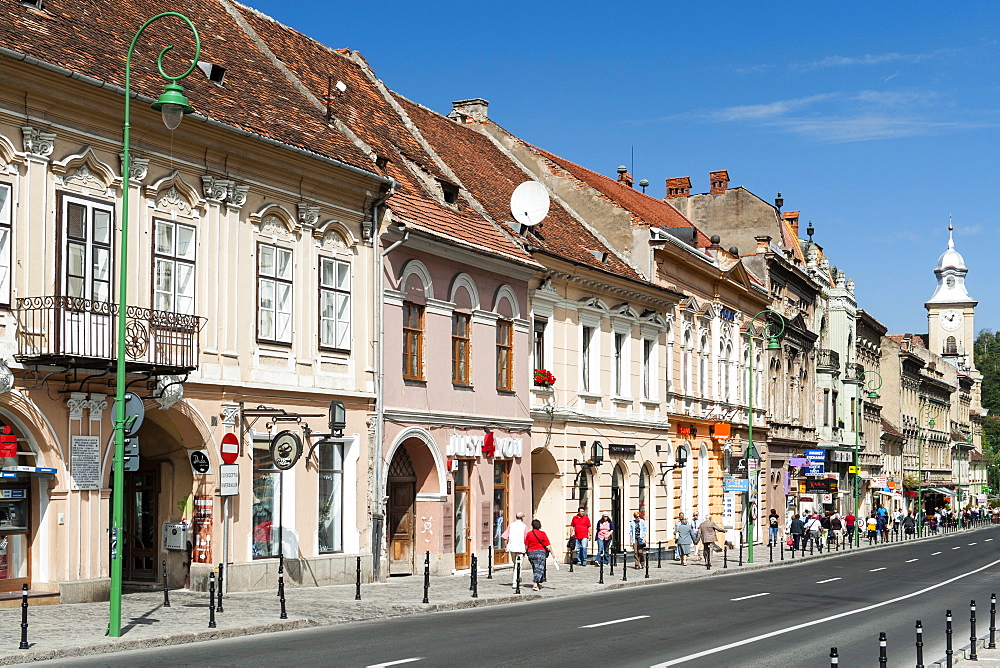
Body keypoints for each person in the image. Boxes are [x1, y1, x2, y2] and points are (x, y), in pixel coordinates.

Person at [503, 512, 527, 592]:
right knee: (518, 565)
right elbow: (526, 539)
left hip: (512, 547)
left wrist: (506, 546)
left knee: (515, 564)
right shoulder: (524, 526)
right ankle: (515, 581)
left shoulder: (511, 525)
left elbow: (505, 537)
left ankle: (516, 579)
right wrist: (526, 548)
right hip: (520, 548)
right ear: (522, 518)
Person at [524, 519, 551, 591]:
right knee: (539, 568)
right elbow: (547, 545)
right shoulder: (542, 533)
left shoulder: (529, 534)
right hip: (540, 552)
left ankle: (538, 583)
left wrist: (526, 552)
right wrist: (553, 553)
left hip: (531, 553)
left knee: (535, 568)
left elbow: (526, 545)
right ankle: (535, 584)